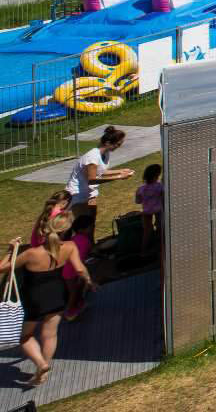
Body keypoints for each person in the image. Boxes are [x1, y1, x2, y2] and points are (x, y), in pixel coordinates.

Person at [13, 212, 91, 388]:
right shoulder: (69, 246)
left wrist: (12, 250)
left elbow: (4, 269)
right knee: (50, 334)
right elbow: (79, 269)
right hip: (57, 294)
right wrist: (89, 281)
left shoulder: (31, 253)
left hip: (34, 298)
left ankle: (41, 364)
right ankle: (44, 371)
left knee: (25, 336)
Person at [64, 126, 131, 218]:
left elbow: (101, 171)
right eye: (118, 144)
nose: (118, 147)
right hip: (77, 194)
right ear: (108, 143)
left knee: (91, 220)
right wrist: (119, 177)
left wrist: (121, 171)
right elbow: (92, 179)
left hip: (90, 192)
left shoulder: (105, 153)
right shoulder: (93, 157)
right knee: (83, 224)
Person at [135, 164, 164, 252]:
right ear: (156, 175)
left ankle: (143, 250)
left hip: (146, 212)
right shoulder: (159, 186)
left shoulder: (140, 189)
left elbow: (138, 201)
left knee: (147, 231)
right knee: (161, 229)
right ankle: (161, 248)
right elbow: (163, 198)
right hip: (159, 211)